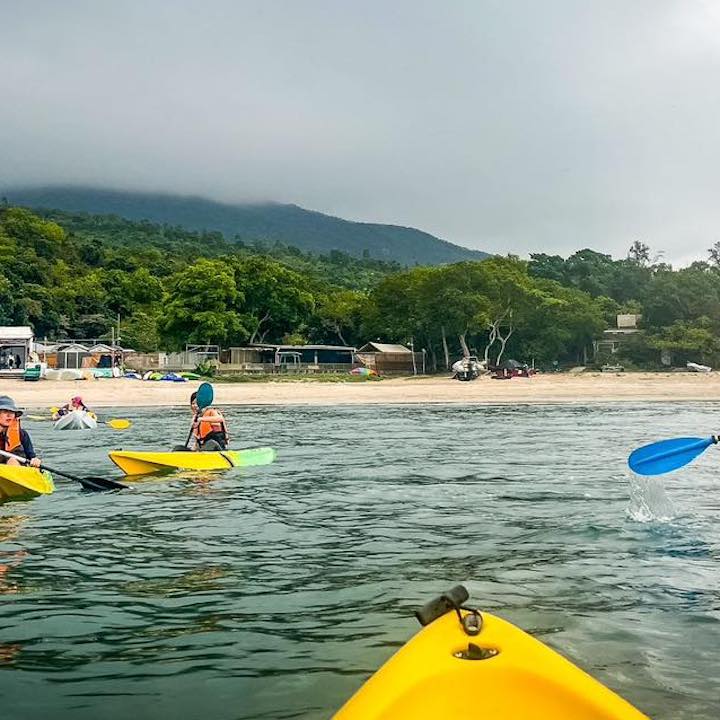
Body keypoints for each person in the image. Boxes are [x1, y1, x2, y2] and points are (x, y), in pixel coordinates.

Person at [0, 396, 41, 467]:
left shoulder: (22, 434)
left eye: (12, 412)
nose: (9, 415)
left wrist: (35, 460)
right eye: (5, 412)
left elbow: (31, 456)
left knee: (12, 461)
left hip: (15, 467)